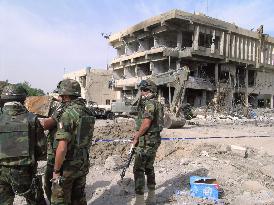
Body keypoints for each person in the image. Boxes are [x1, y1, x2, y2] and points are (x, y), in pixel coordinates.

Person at [43, 79, 95, 205]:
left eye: (60, 95)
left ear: (66, 95)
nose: (59, 98)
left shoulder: (67, 114)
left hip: (67, 165)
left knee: (59, 199)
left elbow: (62, 148)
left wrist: (56, 171)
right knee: (78, 198)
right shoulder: (87, 111)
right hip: (82, 162)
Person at [0, 84, 47, 205]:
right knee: (36, 201)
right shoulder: (32, 119)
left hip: (1, 171)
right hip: (25, 171)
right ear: (23, 100)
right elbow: (42, 150)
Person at [132, 79, 163, 205]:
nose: (142, 93)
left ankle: (139, 201)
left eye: (145, 90)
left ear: (151, 91)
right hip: (154, 140)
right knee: (149, 168)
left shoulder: (150, 104)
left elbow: (146, 124)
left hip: (146, 141)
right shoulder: (157, 104)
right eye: (142, 90)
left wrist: (136, 136)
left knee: (138, 169)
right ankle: (151, 197)